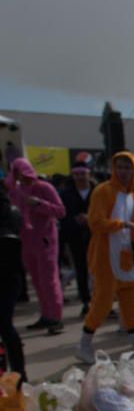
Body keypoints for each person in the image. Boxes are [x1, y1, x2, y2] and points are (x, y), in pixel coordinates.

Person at [75, 151, 134, 364]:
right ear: (113, 169)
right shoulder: (103, 191)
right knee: (102, 303)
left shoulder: (131, 195)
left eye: (128, 167)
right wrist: (128, 225)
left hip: (124, 256)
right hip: (105, 257)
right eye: (120, 167)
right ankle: (83, 345)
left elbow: (129, 227)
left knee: (130, 299)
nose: (124, 172)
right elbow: (96, 223)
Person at [5, 157, 65, 334]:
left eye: (22, 171)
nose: (20, 176)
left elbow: (60, 211)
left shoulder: (44, 187)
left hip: (45, 239)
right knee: (37, 281)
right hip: (25, 241)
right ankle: (46, 315)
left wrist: (38, 204)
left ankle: (56, 318)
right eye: (16, 172)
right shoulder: (15, 192)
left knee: (49, 280)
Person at [59, 153, 95, 316]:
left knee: (98, 269)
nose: (80, 177)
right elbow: (62, 215)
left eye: (83, 173)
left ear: (89, 174)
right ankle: (86, 301)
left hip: (96, 235)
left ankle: (101, 300)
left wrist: (91, 218)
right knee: (81, 269)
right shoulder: (66, 194)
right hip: (75, 236)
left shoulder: (98, 190)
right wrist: (75, 221)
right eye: (76, 174)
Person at [0, 187, 27, 380]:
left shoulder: (10, 212)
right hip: (11, 278)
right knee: (5, 327)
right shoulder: (13, 210)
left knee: (5, 327)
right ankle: (16, 376)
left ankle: (17, 376)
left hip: (7, 278)